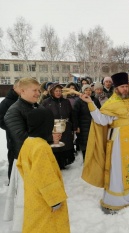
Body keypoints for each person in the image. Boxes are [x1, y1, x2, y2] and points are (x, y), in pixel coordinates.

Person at [80, 72, 129, 214]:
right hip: (118, 142)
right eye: (122, 87)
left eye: (127, 86)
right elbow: (101, 120)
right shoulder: (111, 103)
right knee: (118, 171)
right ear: (116, 88)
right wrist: (90, 103)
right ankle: (116, 201)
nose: (125, 89)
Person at [3, 77, 61, 232]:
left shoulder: (34, 106)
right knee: (29, 203)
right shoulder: (13, 112)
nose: (38, 93)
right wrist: (49, 138)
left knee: (41, 203)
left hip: (39, 161)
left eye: (38, 90)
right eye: (35, 90)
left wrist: (50, 134)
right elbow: (23, 140)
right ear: (22, 91)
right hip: (25, 164)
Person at [17, 108, 70, 233]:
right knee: (48, 225)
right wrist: (55, 200)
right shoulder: (41, 147)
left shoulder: (28, 142)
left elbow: (20, 165)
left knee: (34, 224)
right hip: (46, 200)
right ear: (45, 124)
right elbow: (44, 175)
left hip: (33, 194)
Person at [42, 83, 77, 169]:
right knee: (55, 146)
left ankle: (64, 163)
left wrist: (74, 127)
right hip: (53, 128)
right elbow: (42, 116)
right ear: (52, 92)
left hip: (66, 127)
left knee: (65, 145)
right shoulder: (46, 102)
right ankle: (55, 163)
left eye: (60, 91)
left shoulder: (66, 101)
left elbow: (72, 114)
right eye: (56, 91)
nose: (58, 93)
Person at [73, 84, 101, 160]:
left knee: (93, 142)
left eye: (89, 90)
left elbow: (99, 111)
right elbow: (74, 115)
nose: (88, 92)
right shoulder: (78, 101)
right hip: (82, 126)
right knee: (84, 143)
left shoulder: (95, 100)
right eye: (86, 90)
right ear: (83, 91)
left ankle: (93, 159)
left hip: (93, 124)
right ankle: (86, 160)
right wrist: (76, 126)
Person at [0, 79, 19, 182]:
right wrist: (14, 128)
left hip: (25, 138)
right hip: (13, 138)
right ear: (14, 88)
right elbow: (1, 121)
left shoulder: (26, 100)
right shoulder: (6, 102)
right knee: (13, 160)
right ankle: (12, 182)